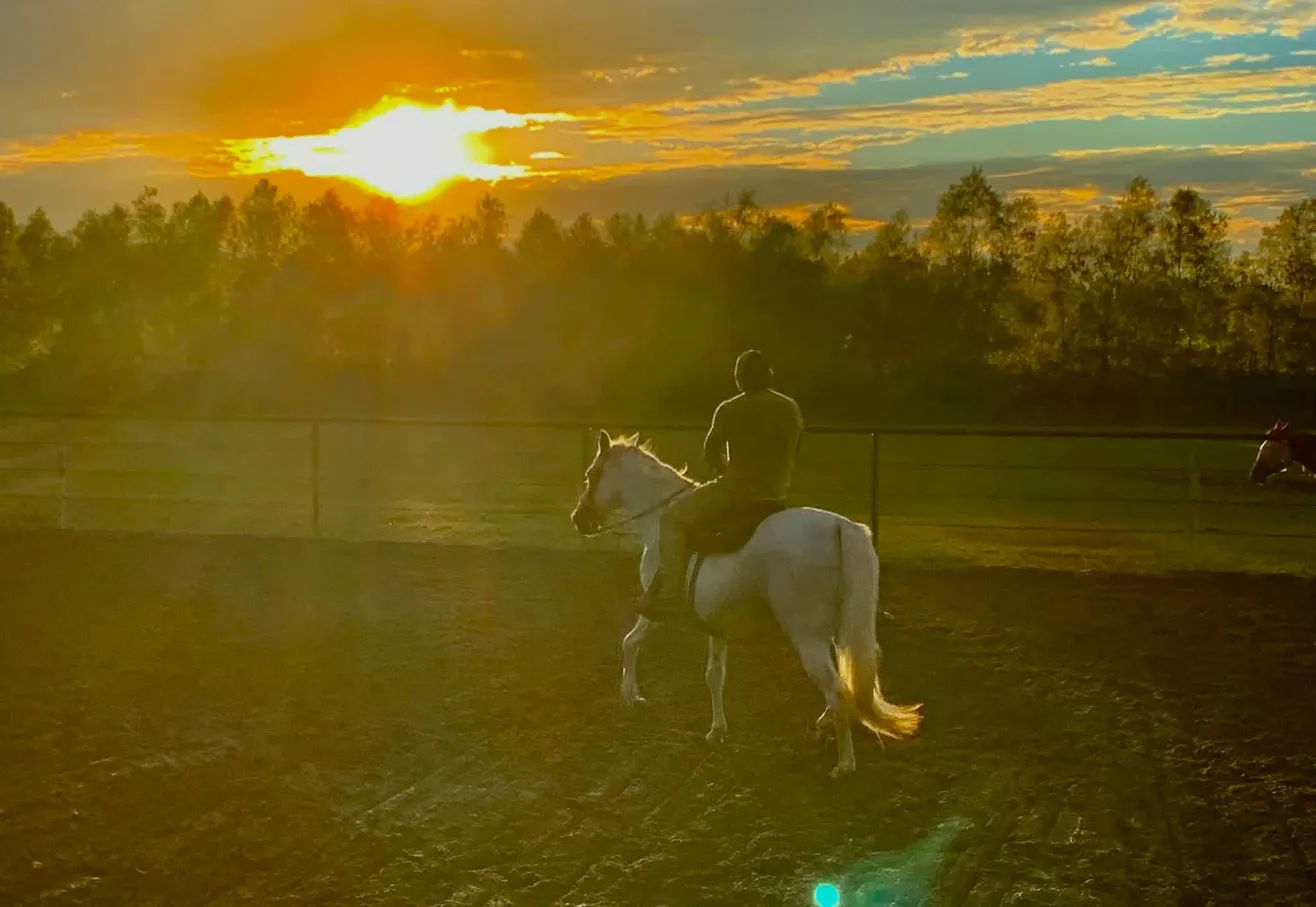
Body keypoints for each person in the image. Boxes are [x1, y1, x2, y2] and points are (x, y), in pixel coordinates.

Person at [638, 350, 804, 619]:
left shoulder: (729, 409)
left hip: (736, 493)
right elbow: (797, 446)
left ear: (739, 380)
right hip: (776, 494)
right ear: (768, 377)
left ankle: (669, 596)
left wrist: (725, 470)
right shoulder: (790, 407)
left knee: (671, 520)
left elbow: (711, 452)